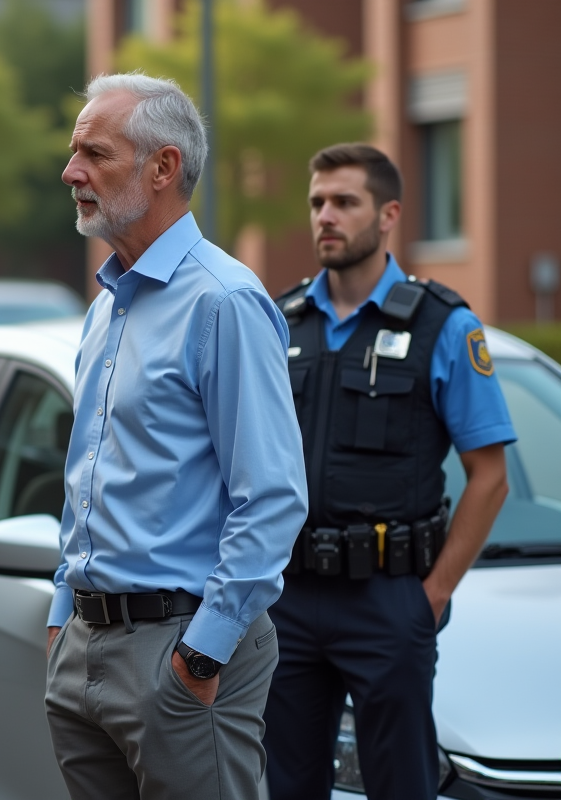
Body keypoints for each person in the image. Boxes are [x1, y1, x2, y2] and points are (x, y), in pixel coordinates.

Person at [44, 73, 309, 800]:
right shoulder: (107, 306)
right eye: (74, 152)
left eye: (94, 153)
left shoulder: (224, 301)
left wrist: (202, 654)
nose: (71, 172)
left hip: (180, 649)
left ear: (163, 167)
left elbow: (273, 498)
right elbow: (86, 476)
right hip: (85, 648)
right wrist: (64, 615)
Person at [263, 144, 514, 800]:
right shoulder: (280, 321)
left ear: (389, 215)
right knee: (284, 787)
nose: (326, 216)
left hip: (388, 598)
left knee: (402, 786)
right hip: (287, 599)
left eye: (345, 202)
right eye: (317, 202)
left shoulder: (444, 327)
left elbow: (491, 477)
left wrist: (431, 596)